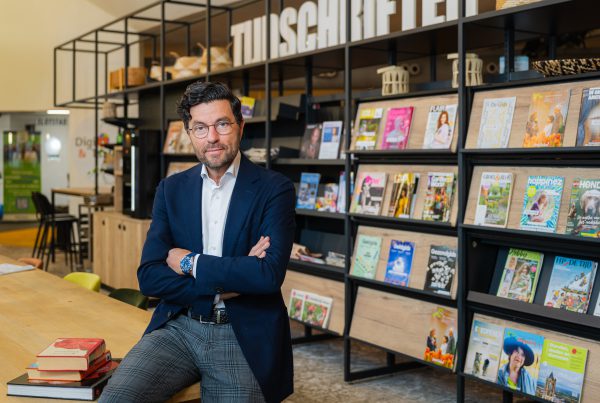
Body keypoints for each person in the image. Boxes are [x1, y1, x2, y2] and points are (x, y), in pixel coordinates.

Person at [100, 82, 296, 403]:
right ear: (190, 133)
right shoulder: (171, 189)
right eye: (200, 128)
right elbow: (150, 276)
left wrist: (190, 262)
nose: (212, 137)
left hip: (240, 333)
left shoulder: (274, 189)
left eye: (222, 124)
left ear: (241, 126)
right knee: (114, 400)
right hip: (179, 326)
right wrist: (224, 283)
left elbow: (267, 274)